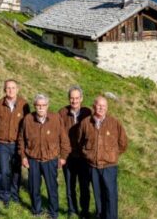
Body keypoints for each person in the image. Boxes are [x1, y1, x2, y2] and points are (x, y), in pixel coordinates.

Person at [19, 94, 71, 219]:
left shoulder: (56, 119)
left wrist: (63, 157)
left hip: (50, 160)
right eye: (38, 105)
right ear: (35, 106)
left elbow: (64, 139)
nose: (41, 108)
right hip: (33, 160)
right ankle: (36, 211)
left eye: (43, 105)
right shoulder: (28, 119)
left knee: (52, 188)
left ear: (47, 106)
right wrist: (23, 157)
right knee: (34, 188)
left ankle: (53, 213)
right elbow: (21, 140)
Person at [79, 96, 128, 219]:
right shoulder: (86, 123)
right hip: (93, 167)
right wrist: (88, 154)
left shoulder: (114, 123)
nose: (101, 108)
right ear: (93, 106)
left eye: (104, 106)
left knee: (110, 195)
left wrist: (112, 155)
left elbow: (123, 143)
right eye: (98, 105)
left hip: (109, 167)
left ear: (107, 108)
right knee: (98, 194)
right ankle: (100, 215)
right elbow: (80, 141)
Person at [0, 79, 30, 207]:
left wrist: (26, 146)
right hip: (2, 143)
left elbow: (28, 127)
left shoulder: (24, 105)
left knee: (16, 171)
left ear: (17, 89)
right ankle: (5, 195)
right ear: (4, 90)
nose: (11, 90)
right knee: (4, 170)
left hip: (17, 144)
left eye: (13, 88)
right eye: (8, 88)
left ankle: (15, 194)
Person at [58, 85, 93, 218]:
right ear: (69, 99)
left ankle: (84, 211)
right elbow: (58, 134)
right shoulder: (62, 113)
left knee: (84, 185)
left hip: (84, 157)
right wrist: (61, 155)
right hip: (68, 155)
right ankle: (72, 209)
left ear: (81, 98)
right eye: (72, 98)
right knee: (69, 184)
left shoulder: (87, 113)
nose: (74, 101)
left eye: (77, 98)